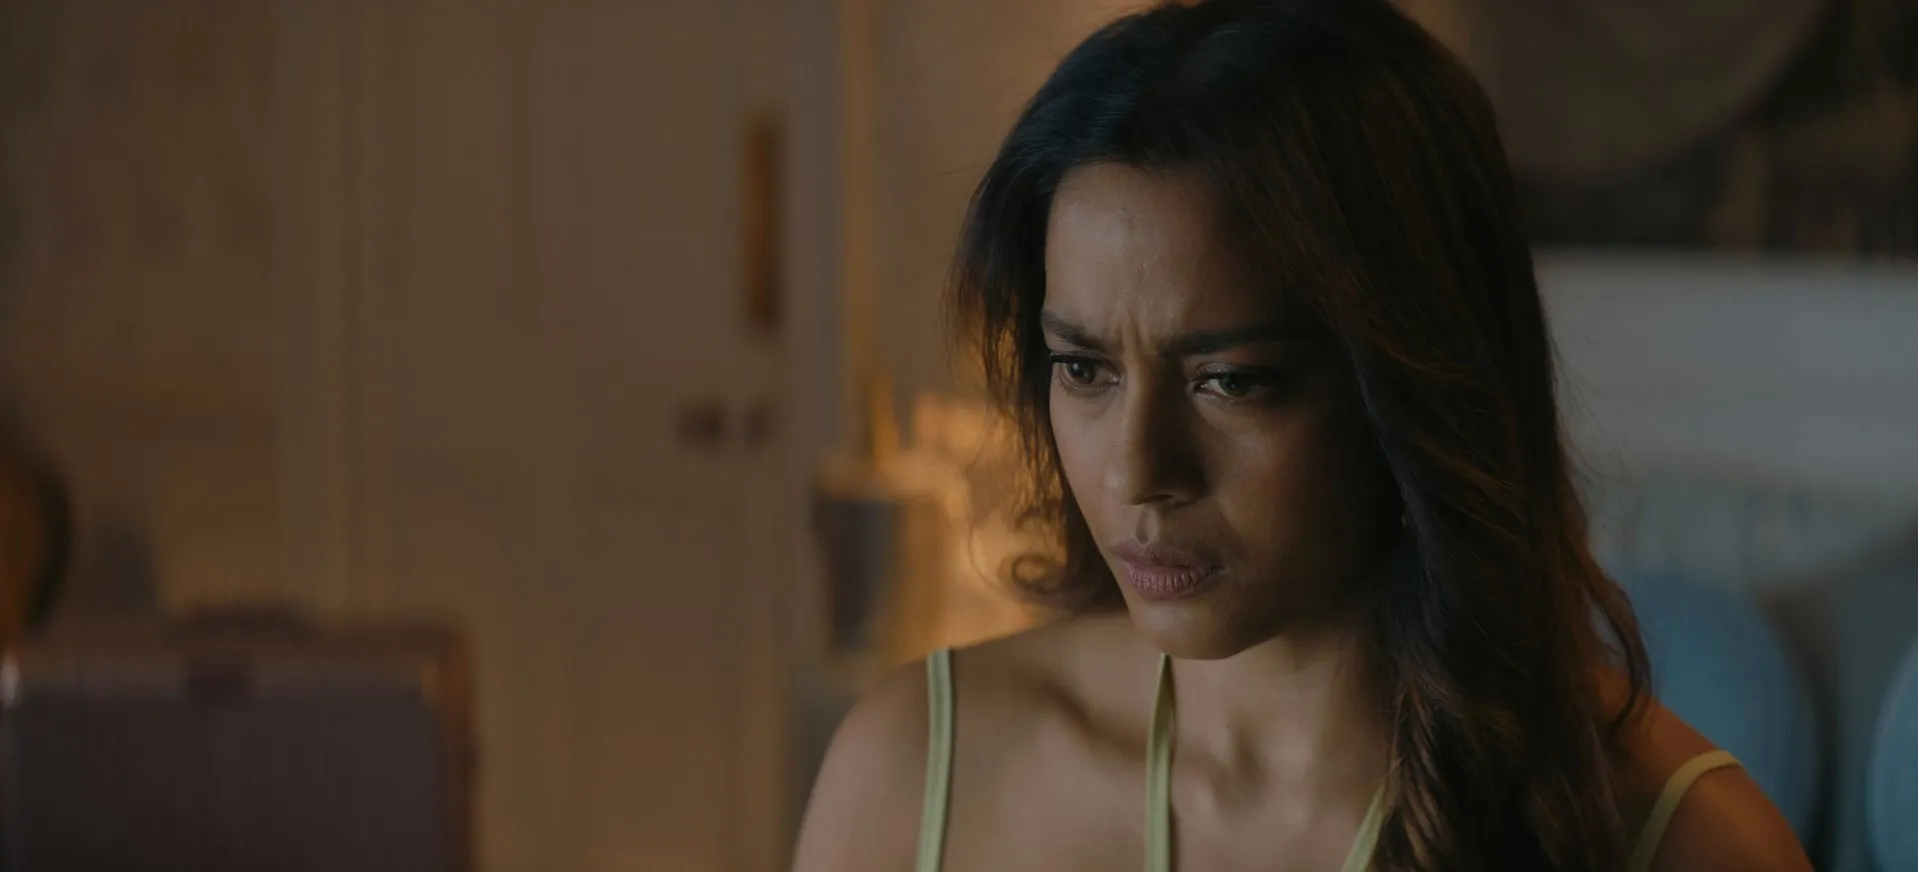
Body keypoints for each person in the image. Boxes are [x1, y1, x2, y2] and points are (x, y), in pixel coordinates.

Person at [792, 1, 1814, 869]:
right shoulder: (913, 766)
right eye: (1084, 369)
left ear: (1412, 384)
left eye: (1232, 381)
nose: (1137, 469)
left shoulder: (1686, 843)